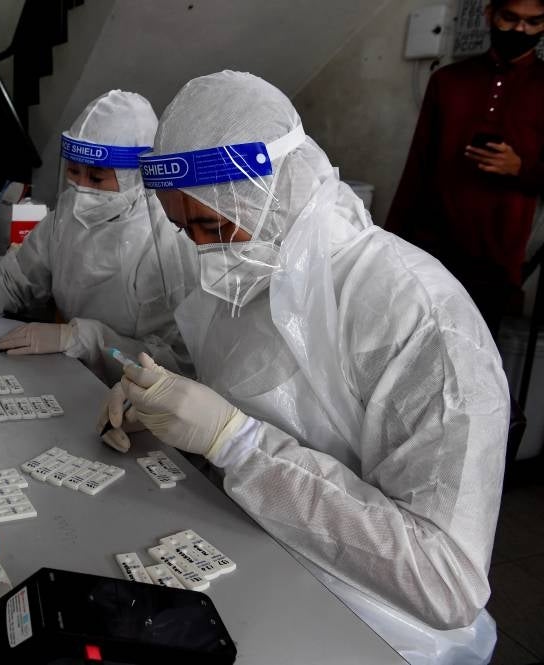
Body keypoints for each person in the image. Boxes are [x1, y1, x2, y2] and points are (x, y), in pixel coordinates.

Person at [99, 71, 509, 664]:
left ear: (271, 191)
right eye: (183, 229)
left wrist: (236, 444)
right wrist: (161, 394)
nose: (202, 251)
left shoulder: (419, 315)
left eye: (211, 225)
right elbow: (228, 369)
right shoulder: (243, 264)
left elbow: (444, 579)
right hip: (249, 558)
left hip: (373, 623)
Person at [0, 90, 190, 384]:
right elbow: (12, 280)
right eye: (74, 171)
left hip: (139, 402)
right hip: (69, 379)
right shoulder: (68, 214)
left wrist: (82, 339)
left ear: (136, 175)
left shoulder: (166, 240)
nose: (80, 188)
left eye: (96, 178)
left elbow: (173, 364)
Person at [386, 0, 544, 336]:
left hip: (497, 255)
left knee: (472, 355)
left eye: (533, 23)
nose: (520, 30)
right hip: (431, 243)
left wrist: (521, 168)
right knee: (410, 341)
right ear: (490, 14)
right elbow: (418, 166)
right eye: (510, 18)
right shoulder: (449, 81)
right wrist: (392, 242)